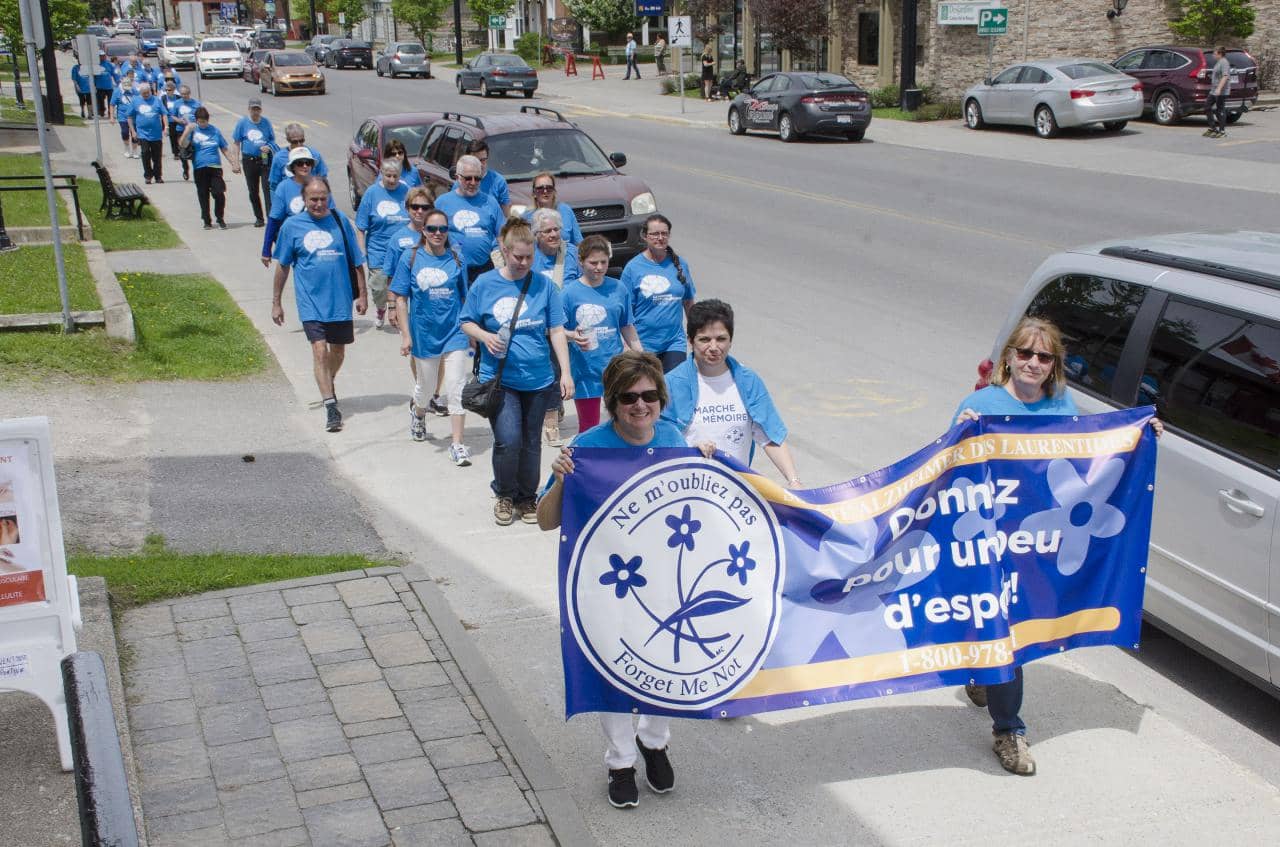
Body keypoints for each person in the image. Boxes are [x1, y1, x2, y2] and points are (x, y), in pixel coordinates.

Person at [951, 315, 1162, 776]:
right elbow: (947, 470)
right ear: (1008, 357)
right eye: (1024, 353)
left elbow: (1093, 453)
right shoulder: (980, 403)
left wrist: (1139, 434)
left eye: (1043, 356)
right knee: (1007, 630)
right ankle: (1009, 729)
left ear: (1054, 365)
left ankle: (985, 676)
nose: (1032, 363)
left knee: (1018, 629)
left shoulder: (1062, 406)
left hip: (1041, 542)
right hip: (993, 541)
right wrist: (960, 433)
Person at [535, 351, 714, 809]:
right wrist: (559, 480)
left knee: (662, 665)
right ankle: (620, 761)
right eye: (629, 397)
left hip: (663, 586)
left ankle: (655, 742)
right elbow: (544, 521)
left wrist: (708, 465)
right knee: (614, 673)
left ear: (661, 398)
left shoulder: (674, 438)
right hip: (607, 587)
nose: (641, 405)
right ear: (613, 402)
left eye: (650, 395)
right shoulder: (588, 448)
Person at [460, 217, 573, 526]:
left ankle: (526, 497)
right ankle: (505, 494)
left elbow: (557, 330)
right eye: (518, 257)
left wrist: (565, 372)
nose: (524, 263)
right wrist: (485, 337)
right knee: (508, 439)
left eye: (529, 257)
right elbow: (466, 320)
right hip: (500, 379)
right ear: (505, 251)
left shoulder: (544, 286)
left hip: (538, 378)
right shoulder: (484, 283)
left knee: (531, 441)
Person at [662, 299, 801, 486]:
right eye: (704, 339)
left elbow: (770, 435)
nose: (713, 347)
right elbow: (658, 440)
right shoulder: (671, 384)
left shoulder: (748, 380)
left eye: (721, 339)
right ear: (690, 341)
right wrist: (688, 448)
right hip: (686, 490)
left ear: (731, 341)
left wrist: (794, 481)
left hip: (734, 497)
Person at [272, 177, 368, 433]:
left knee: (338, 353)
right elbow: (282, 266)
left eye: (323, 197)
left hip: (340, 300)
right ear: (304, 199)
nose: (319, 203)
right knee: (319, 351)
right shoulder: (292, 226)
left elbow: (356, 261)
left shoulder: (339, 222)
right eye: (313, 198)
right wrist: (276, 302)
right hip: (310, 302)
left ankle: (327, 380)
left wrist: (363, 294)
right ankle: (330, 407)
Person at [390, 208, 472, 466]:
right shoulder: (410, 258)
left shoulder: (457, 258)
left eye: (443, 229)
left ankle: (457, 444)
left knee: (456, 388)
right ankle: (418, 411)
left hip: (454, 333)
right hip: (424, 334)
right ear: (423, 231)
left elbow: (464, 297)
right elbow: (401, 298)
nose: (438, 234)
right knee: (425, 388)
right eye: (432, 229)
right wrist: (406, 335)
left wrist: (470, 329)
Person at [562, 235, 641, 433]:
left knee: (623, 423)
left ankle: (620, 461)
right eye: (593, 262)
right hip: (584, 369)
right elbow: (555, 331)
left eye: (603, 262)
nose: (598, 267)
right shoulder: (569, 293)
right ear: (581, 262)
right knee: (589, 427)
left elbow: (627, 326)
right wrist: (572, 335)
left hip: (615, 369)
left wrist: (641, 355)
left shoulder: (618, 288)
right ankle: (590, 462)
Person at [532, 207, 581, 447]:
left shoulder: (571, 253)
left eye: (556, 230)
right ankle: (550, 422)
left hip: (571, 324)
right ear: (536, 234)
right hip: (542, 327)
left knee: (566, 371)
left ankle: (557, 406)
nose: (553, 234)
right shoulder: (530, 256)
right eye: (547, 231)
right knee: (551, 371)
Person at [620, 214, 695, 373]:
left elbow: (688, 302)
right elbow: (625, 311)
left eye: (664, 233)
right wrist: (627, 344)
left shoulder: (680, 264)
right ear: (645, 236)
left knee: (673, 389)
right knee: (650, 392)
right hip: (642, 344)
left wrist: (696, 332)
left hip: (674, 342)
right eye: (655, 234)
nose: (660, 238)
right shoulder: (633, 268)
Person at [356, 159, 410, 327]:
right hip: (378, 250)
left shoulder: (407, 191)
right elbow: (360, 227)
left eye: (395, 176)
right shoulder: (372, 194)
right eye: (388, 176)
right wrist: (361, 251)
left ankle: (402, 315)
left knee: (402, 286)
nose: (392, 180)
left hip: (403, 249)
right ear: (381, 173)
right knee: (379, 288)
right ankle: (381, 308)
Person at [436, 154, 503, 285]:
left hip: (483, 269)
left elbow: (502, 236)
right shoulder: (442, 203)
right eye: (468, 178)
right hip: (452, 268)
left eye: (477, 178)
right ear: (457, 177)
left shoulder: (490, 202)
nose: (473, 183)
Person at [261, 147, 334, 263]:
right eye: (300, 163)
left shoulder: (319, 185)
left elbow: (332, 214)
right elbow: (274, 220)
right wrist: (266, 250)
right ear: (293, 167)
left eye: (308, 163)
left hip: (319, 240)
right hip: (296, 242)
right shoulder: (284, 187)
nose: (305, 166)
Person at [179, 107, 240, 230]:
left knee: (219, 193)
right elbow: (182, 144)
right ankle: (206, 220)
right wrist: (186, 131)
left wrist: (234, 163)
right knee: (203, 194)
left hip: (215, 166)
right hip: (200, 167)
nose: (202, 124)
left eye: (204, 121)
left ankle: (220, 217)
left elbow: (224, 149)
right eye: (200, 121)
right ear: (196, 121)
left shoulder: (215, 131)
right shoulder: (193, 131)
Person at [232, 97, 277, 227]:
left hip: (264, 159)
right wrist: (235, 162)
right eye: (253, 109)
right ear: (249, 109)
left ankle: (270, 217)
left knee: (267, 189)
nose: (255, 112)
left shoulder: (266, 123)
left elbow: (272, 140)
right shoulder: (242, 123)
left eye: (258, 109)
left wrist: (268, 147)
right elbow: (236, 143)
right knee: (253, 190)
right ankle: (259, 217)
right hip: (249, 160)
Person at [522, 171, 582, 247]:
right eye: (540, 188)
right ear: (534, 193)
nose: (545, 191)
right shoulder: (526, 217)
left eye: (549, 188)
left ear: (554, 191)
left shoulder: (565, 210)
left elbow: (578, 243)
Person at [451, 140, 510, 216]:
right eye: (475, 160)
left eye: (483, 160)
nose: (480, 165)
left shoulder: (499, 181)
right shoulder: (461, 182)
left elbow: (505, 214)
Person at [268, 123, 329, 194]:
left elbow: (323, 177)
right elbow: (274, 185)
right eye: (295, 142)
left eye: (301, 140)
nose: (299, 144)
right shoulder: (279, 158)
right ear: (288, 140)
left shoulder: (315, 155)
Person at [128, 81, 167, 184]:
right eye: (143, 93)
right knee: (145, 154)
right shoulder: (135, 101)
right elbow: (129, 116)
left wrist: (166, 127)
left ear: (150, 91)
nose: (146, 95)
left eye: (147, 92)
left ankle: (158, 176)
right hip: (142, 133)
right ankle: (148, 175)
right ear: (140, 93)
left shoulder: (156, 100)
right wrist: (133, 131)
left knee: (157, 156)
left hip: (156, 134)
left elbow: (164, 114)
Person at [167, 84, 200, 181]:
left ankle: (196, 171)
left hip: (193, 132)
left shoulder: (196, 104)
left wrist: (195, 123)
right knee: (182, 153)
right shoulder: (177, 103)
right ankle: (185, 169)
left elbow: (201, 116)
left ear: (189, 93)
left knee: (194, 153)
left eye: (186, 94)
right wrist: (179, 120)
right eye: (182, 94)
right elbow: (172, 116)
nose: (184, 96)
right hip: (181, 131)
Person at [110, 72, 140, 159]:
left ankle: (135, 151)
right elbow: (112, 104)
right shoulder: (117, 92)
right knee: (125, 132)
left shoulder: (134, 91)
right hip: (122, 116)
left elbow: (139, 102)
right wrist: (112, 117)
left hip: (133, 117)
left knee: (134, 133)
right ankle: (127, 149)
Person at [1205, 46, 1232, 139]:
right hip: (1213, 90)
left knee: (1220, 109)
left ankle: (1222, 130)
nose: (1213, 55)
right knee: (1207, 107)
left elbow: (1225, 76)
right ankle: (1213, 128)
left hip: (1221, 91)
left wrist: (1219, 89)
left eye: (1215, 53)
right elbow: (1217, 75)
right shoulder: (1218, 62)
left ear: (1220, 54)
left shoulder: (1224, 63)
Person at [93, 52, 115, 118]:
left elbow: (114, 73)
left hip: (109, 86)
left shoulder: (109, 64)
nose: (102, 57)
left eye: (103, 55)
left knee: (111, 101)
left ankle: (110, 113)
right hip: (100, 86)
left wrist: (118, 81)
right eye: (101, 56)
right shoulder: (96, 65)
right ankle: (101, 111)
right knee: (100, 101)